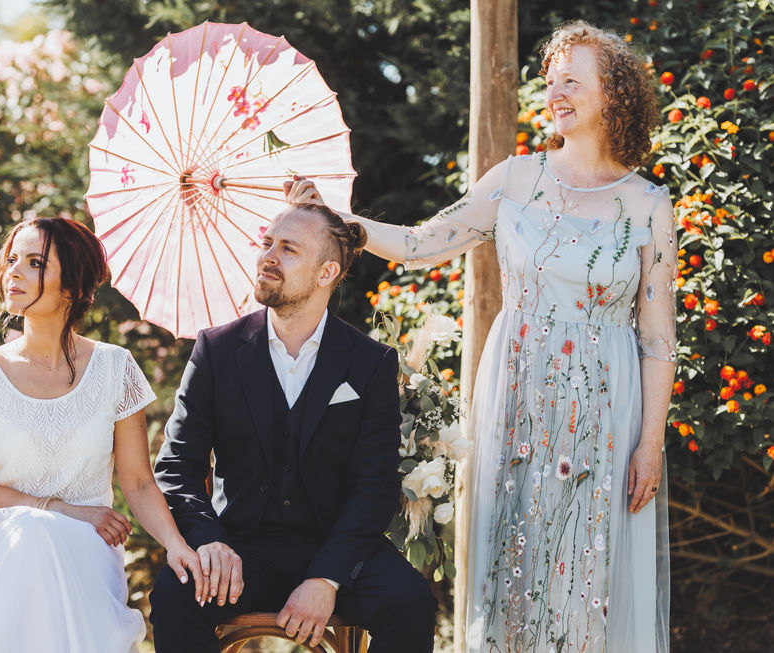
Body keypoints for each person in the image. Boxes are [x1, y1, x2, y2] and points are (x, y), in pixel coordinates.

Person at [287, 20, 674, 653]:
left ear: (614, 93)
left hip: (604, 411)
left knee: (585, 572)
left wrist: (651, 442)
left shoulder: (649, 206)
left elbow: (657, 340)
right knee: (513, 567)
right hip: (517, 400)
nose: (555, 93)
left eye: (572, 81)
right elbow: (419, 245)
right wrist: (338, 219)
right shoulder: (516, 179)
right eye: (551, 83)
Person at [0, 217, 202, 652]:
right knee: (31, 535)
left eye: (35, 262)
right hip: (2, 552)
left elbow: (137, 483)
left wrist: (176, 545)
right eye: (12, 259)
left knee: (40, 543)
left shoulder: (116, 369)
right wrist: (62, 510)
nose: (14, 271)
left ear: (73, 287)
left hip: (86, 558)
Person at [149, 203, 437, 652]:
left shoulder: (370, 362)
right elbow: (177, 466)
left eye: (287, 248)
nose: (268, 256)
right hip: (239, 547)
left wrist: (327, 577)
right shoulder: (216, 350)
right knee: (173, 595)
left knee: (410, 601)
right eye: (267, 243)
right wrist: (208, 542)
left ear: (326, 273)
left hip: (335, 545)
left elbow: (375, 484)